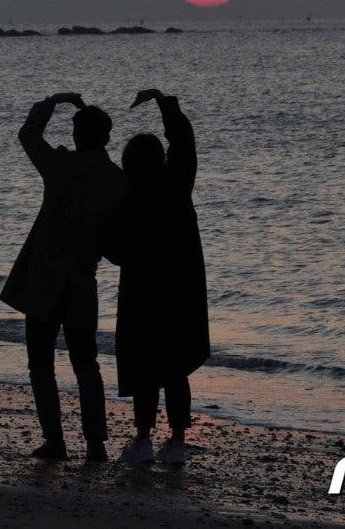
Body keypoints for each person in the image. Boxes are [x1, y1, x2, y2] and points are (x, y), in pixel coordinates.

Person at [0, 92, 125, 461]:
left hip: (43, 277)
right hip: (83, 280)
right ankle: (96, 443)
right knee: (85, 362)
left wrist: (52, 101)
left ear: (77, 134)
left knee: (41, 361)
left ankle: (55, 440)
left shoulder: (59, 165)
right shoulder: (118, 180)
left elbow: (28, 135)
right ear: (106, 137)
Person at [101, 89, 209, 466]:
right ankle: (177, 440)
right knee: (175, 368)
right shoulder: (177, 186)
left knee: (145, 367)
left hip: (141, 292)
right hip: (180, 290)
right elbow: (184, 142)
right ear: (160, 159)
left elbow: (112, 251)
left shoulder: (127, 201)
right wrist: (166, 103)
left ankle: (144, 438)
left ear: (129, 164)